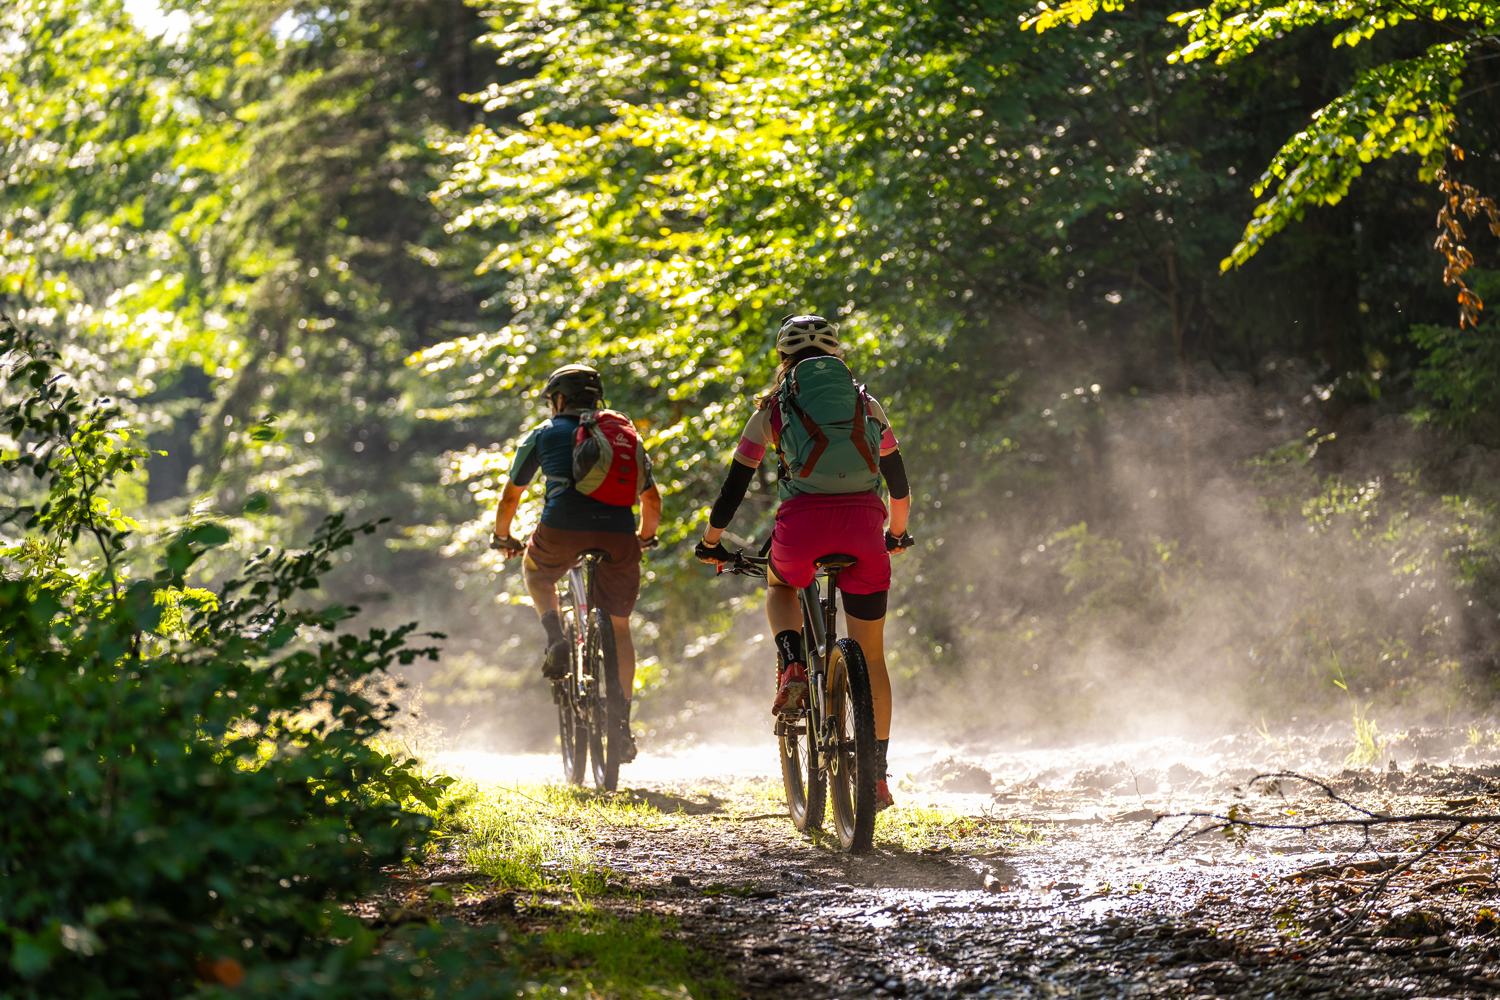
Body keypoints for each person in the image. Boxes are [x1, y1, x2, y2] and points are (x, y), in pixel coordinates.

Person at [694, 315, 912, 810]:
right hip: (864, 529)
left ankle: (793, 663)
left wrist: (711, 541)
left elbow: (734, 487)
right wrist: (896, 535)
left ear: (784, 360)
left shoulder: (772, 409)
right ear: (836, 356)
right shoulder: (867, 404)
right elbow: (899, 487)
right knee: (872, 656)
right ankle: (876, 777)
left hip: (801, 529)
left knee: (781, 585)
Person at [491, 363, 662, 762]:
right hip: (619, 534)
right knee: (619, 627)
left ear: (559, 399)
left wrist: (503, 537)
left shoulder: (544, 433)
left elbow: (510, 497)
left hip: (561, 529)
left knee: (535, 571)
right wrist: (643, 538)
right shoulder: (621, 434)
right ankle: (621, 724)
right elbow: (651, 500)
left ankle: (556, 638)